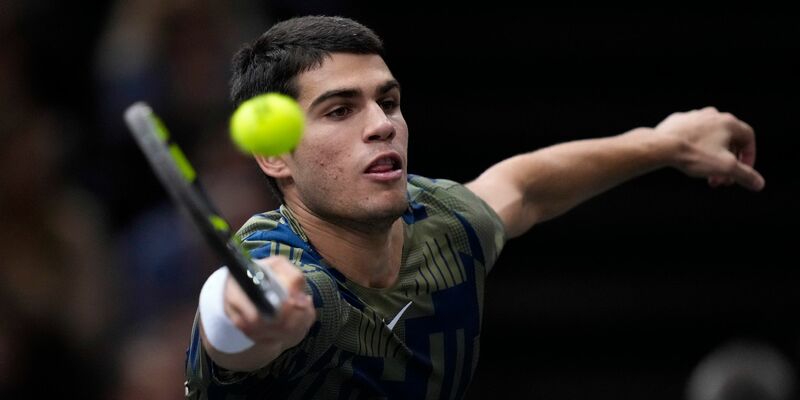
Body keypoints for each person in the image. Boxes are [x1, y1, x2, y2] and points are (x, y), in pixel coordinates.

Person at [184, 15, 765, 399]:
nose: (382, 125)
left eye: (388, 102)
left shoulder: (439, 223)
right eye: (340, 110)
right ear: (274, 156)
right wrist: (251, 307)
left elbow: (525, 187)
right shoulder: (278, 266)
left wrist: (667, 141)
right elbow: (232, 317)